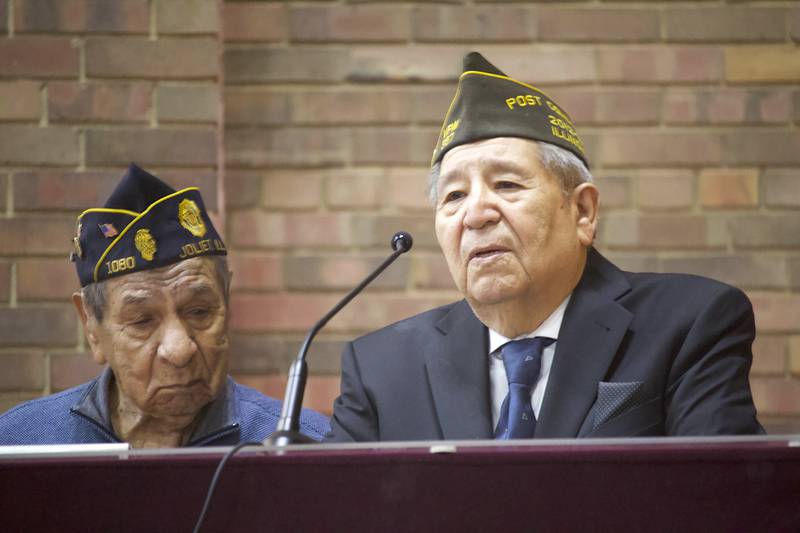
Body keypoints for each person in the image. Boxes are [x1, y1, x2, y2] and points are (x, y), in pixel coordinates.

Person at [326, 52, 764, 442]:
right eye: (454, 196)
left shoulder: (689, 323)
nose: (476, 214)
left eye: (507, 184)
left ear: (583, 212)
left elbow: (722, 500)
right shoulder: (380, 368)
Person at [0, 164, 329, 447]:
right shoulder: (22, 444)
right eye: (142, 320)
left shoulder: (306, 448)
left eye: (199, 312)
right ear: (91, 325)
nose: (179, 349)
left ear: (226, 303)